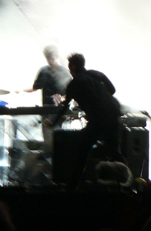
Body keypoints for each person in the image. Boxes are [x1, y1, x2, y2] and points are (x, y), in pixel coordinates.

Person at [49, 53, 124, 186]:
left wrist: (52, 123)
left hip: (98, 118)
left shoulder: (74, 84)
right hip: (113, 113)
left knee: (83, 151)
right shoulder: (97, 74)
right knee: (114, 151)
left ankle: (72, 186)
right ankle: (127, 183)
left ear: (73, 67)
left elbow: (64, 107)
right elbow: (112, 90)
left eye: (70, 67)